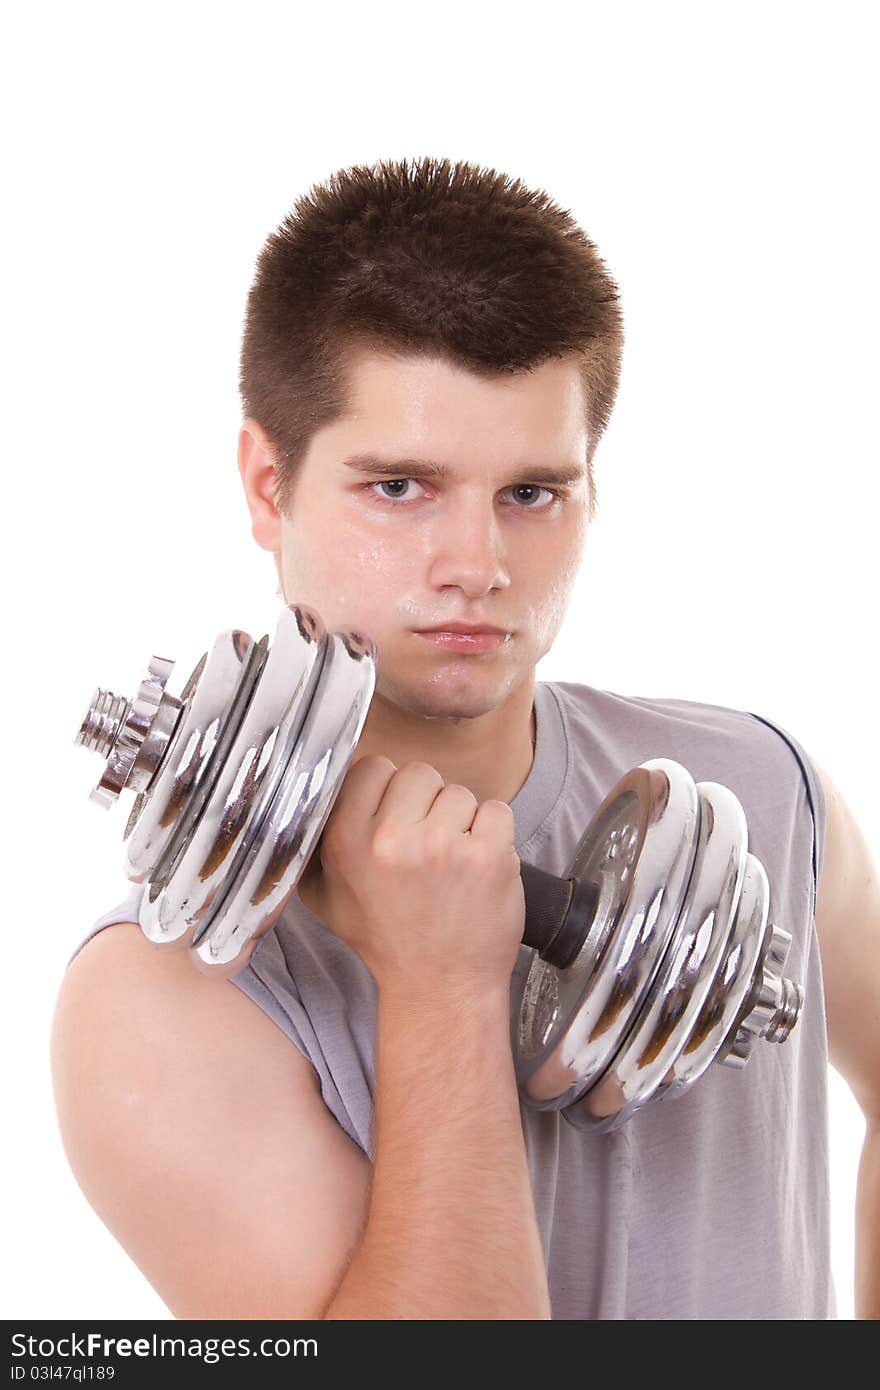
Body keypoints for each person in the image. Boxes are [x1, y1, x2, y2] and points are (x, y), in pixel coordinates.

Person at [51, 156, 879, 1321]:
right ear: (265, 483)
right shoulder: (161, 1005)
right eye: (398, 486)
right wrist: (441, 986)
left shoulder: (766, 797)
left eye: (532, 493)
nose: (478, 568)